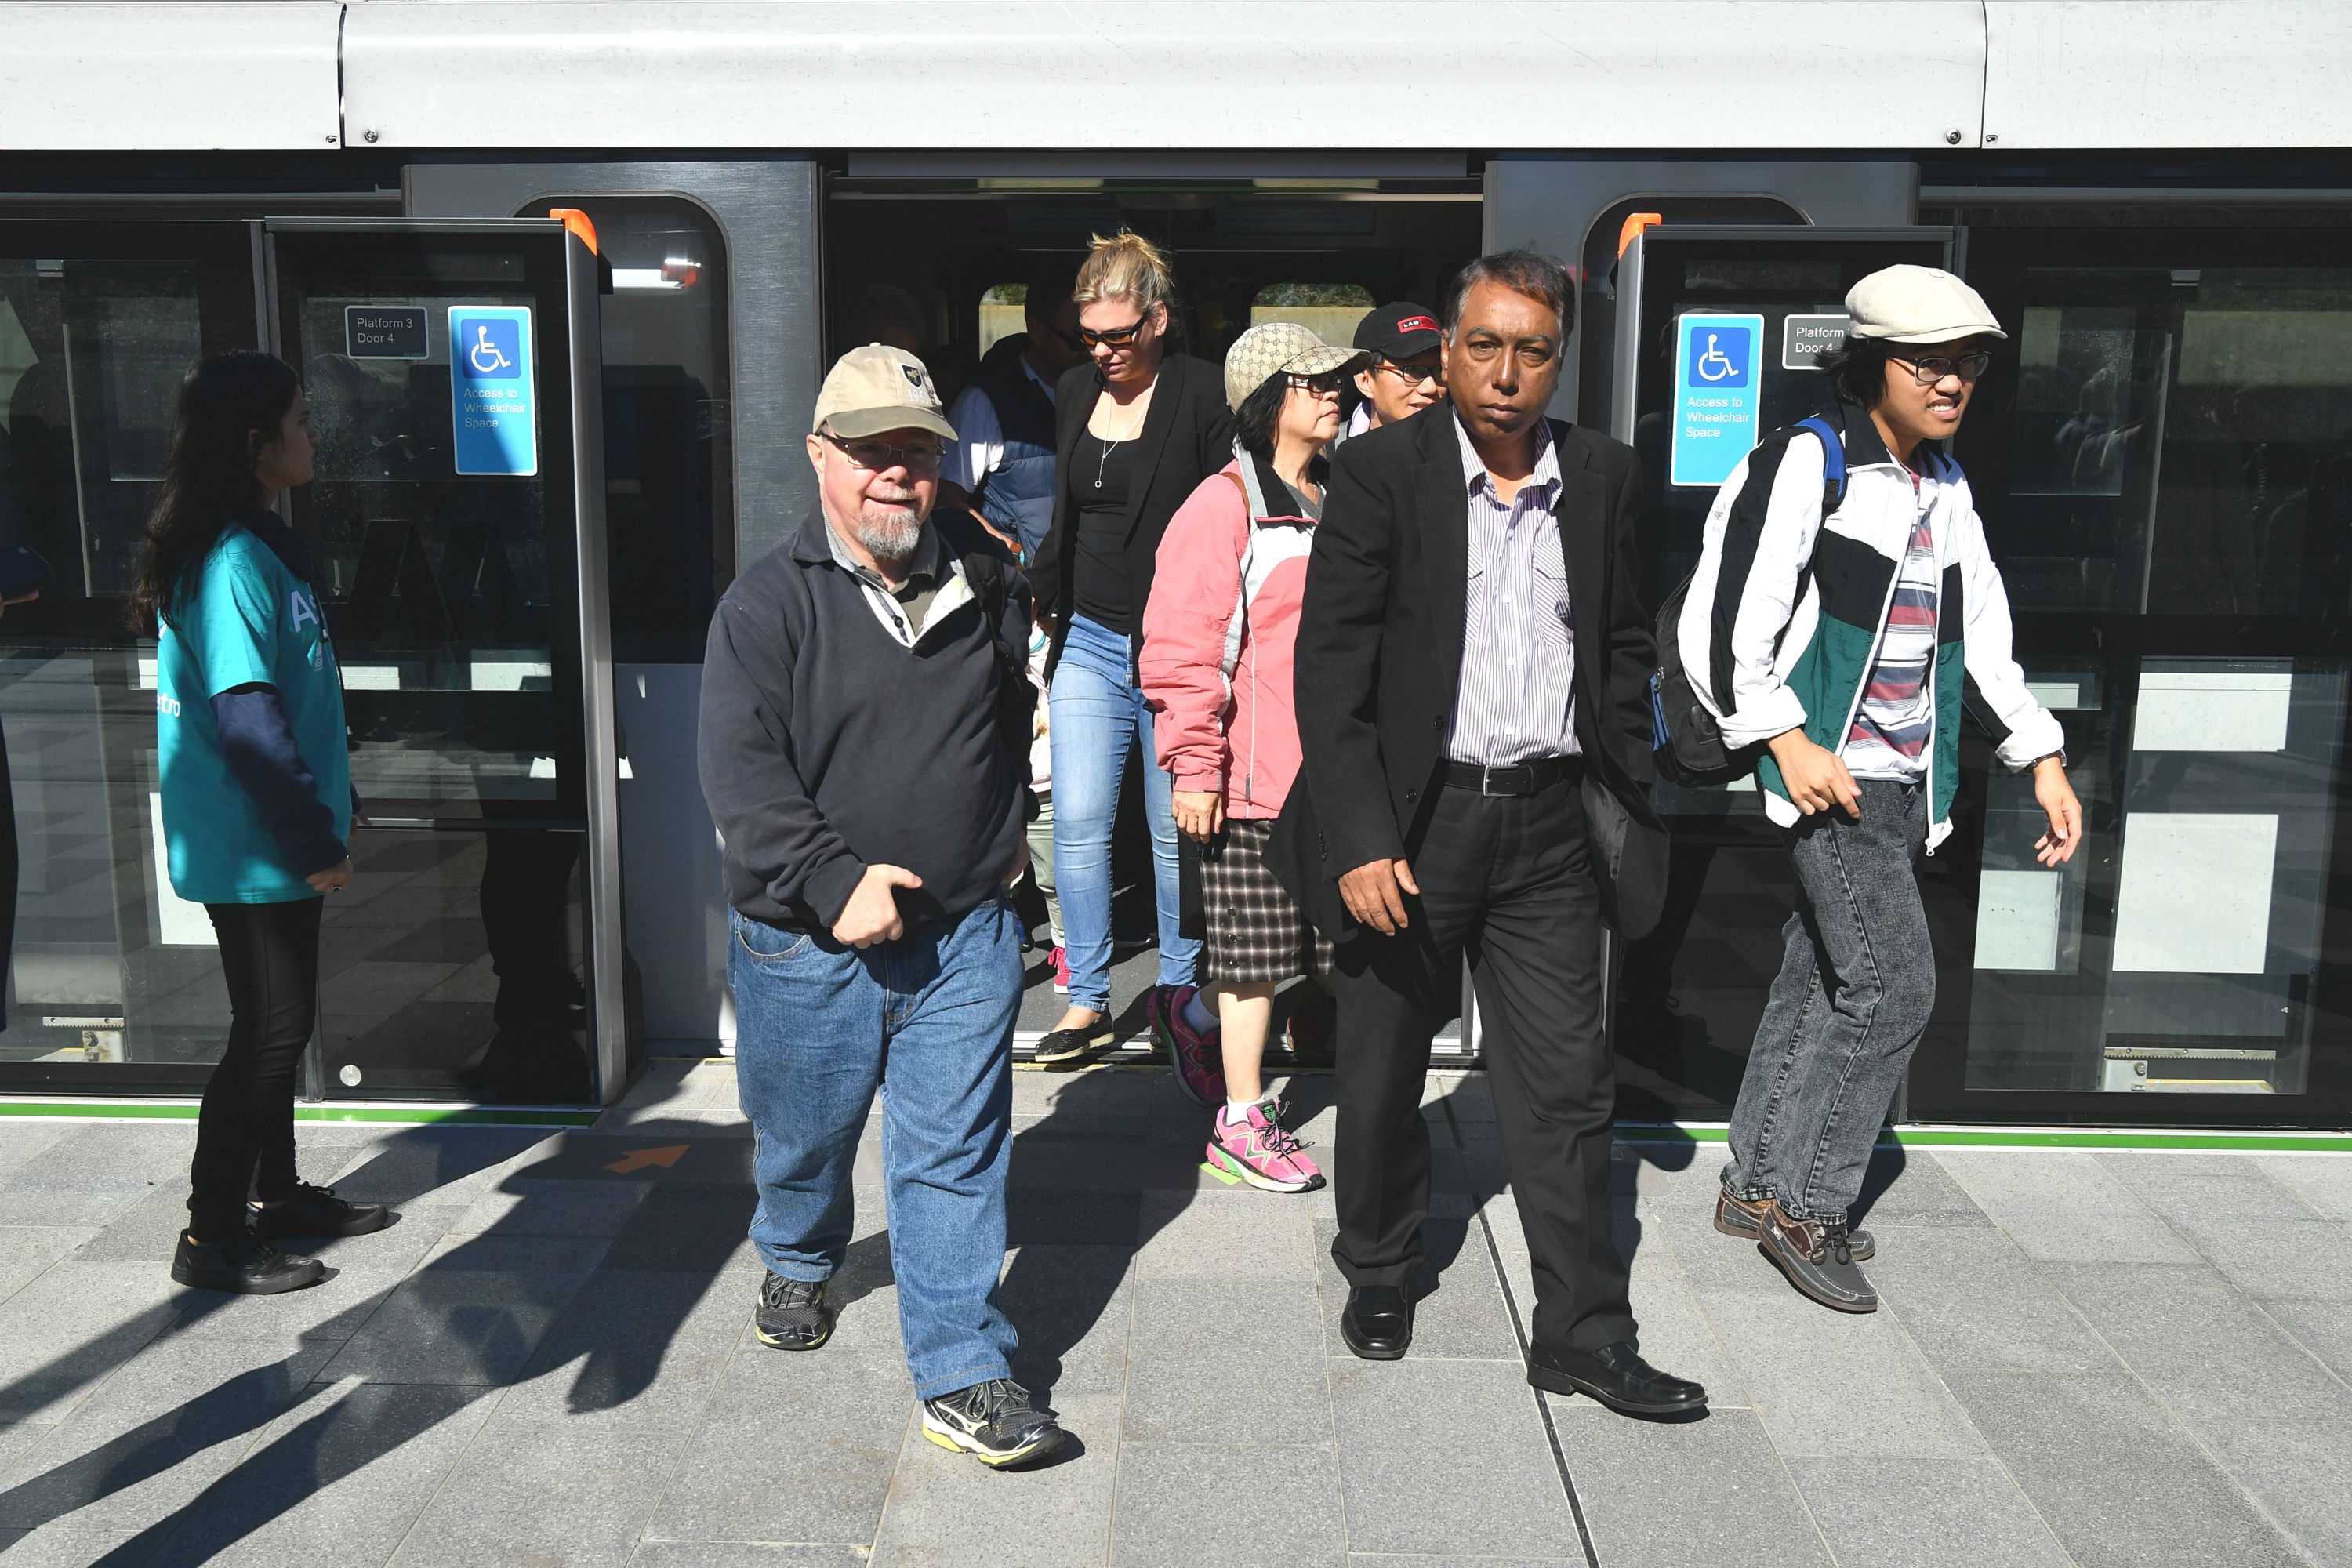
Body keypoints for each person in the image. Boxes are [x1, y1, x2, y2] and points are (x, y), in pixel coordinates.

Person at [1273, 251, 1704, 1417]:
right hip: (1414, 827)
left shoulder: (1606, 476)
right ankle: (1378, 1265)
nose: (1506, 373)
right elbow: (1332, 671)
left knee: (1568, 1091)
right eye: (1483, 345)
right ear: (1448, 351)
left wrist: (1635, 766)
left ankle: (1581, 1331)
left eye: (1533, 351)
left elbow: (1618, 643)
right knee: (1380, 1073)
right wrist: (1362, 838)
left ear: (1559, 360)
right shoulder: (1378, 475)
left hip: (1551, 827)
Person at [1679, 265, 2082, 1312]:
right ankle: (1810, 1210)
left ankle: (1753, 1185)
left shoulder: (1944, 485)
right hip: (1834, 777)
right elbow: (1721, 633)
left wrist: (2039, 753)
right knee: (1897, 988)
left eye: (1969, 362)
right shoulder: (1809, 465)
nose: (1952, 380)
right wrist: (1785, 741)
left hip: (1906, 778)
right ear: (1870, 364)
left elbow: (1980, 642)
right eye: (1929, 361)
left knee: (1822, 973)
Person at [697, 343, 1066, 1468]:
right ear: (821, 458)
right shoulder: (766, 608)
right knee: (805, 1140)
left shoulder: (986, 574)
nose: (896, 475)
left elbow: (1005, 713)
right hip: (810, 952)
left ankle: (962, 1371)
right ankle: (799, 1255)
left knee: (953, 1154)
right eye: (870, 453)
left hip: (964, 937)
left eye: (916, 452)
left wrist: (1004, 843)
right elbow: (741, 776)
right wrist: (830, 880)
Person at [136, 350, 391, 1296]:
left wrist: (330, 795)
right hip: (254, 842)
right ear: (257, 443)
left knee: (279, 1023)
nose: (312, 435)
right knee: (270, 1032)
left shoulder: (253, 542)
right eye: (300, 420)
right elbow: (245, 718)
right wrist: (312, 837)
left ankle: (275, 1194)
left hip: (273, 831)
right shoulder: (231, 561)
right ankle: (210, 1235)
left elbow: (289, 694)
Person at [1140, 321, 1363, 1189]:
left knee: (1307, 953)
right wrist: (1196, 768)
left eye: (1335, 381)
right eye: (1313, 383)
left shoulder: (1342, 493)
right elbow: (1182, 647)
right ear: (1271, 399)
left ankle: (1186, 1016)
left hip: (1334, 779)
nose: (1333, 393)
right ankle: (1240, 1122)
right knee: (1256, 958)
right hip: (1252, 784)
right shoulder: (1222, 504)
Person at [1026, 231, 1232, 1066]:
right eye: (1090, 337)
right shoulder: (1076, 390)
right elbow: (1068, 513)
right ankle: (1085, 1000)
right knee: (1075, 820)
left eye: (1118, 334)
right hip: (1088, 635)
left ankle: (1177, 996)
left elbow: (1225, 521)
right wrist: (1042, 591)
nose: (1103, 352)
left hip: (1176, 646)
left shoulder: (1204, 392)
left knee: (1168, 826)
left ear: (1157, 319)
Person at [940, 264, 1085, 566]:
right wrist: (1002, 547)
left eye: (1094, 338)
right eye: (1075, 340)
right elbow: (944, 495)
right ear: (1037, 330)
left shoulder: (1104, 395)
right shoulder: (984, 403)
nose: (1088, 352)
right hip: (1024, 586)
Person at [1344, 301, 1446, 440]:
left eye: (1440, 369)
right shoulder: (1328, 452)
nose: (1430, 387)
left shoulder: (1474, 450)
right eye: (1412, 371)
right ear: (1365, 382)